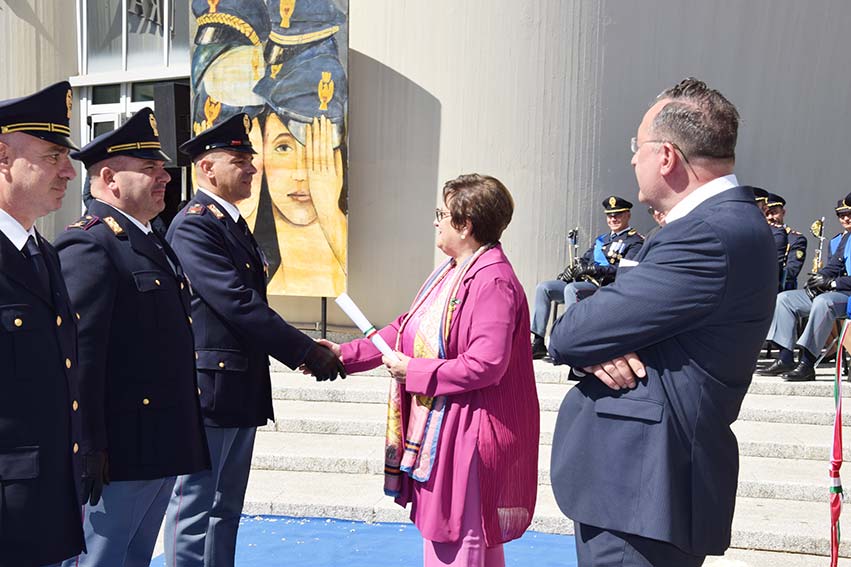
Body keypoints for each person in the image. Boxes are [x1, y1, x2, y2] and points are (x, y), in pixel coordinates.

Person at [548, 78, 776, 566]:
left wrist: (595, 337)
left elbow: (570, 333)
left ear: (667, 157)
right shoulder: (721, 226)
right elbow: (602, 326)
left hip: (643, 493)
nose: (633, 160)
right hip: (643, 489)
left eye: (638, 147)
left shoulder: (707, 236)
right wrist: (603, 339)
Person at [319, 174, 539, 567]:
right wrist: (344, 354)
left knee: (460, 541)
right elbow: (407, 328)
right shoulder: (455, 270)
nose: (435, 222)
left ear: (465, 223)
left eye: (441, 213)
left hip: (469, 433)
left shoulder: (491, 280)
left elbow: (486, 364)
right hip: (452, 425)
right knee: (470, 545)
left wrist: (416, 372)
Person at [164, 113, 345, 567]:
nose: (252, 167)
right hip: (212, 389)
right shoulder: (194, 225)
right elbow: (237, 302)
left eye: (251, 158)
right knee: (194, 512)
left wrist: (306, 348)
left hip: (239, 387)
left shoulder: (231, 222)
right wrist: (305, 351)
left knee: (226, 511)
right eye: (239, 159)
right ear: (207, 169)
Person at [55, 108, 210, 567]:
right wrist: (88, 445)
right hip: (119, 452)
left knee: (133, 558)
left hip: (159, 442)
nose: (165, 176)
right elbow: (80, 356)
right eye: (149, 168)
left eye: (161, 167)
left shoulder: (150, 240)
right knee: (103, 559)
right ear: (109, 178)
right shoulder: (90, 243)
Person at [0, 81, 85, 567]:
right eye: (54, 155)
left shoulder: (43, 254)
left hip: (50, 504)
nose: (69, 171)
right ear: (3, 157)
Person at [531, 196, 643, 359]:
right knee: (544, 287)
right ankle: (539, 341)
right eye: (610, 215)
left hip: (606, 287)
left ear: (628, 215)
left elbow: (625, 271)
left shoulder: (634, 241)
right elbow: (584, 260)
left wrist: (594, 269)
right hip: (585, 284)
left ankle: (571, 339)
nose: (613, 219)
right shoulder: (602, 240)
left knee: (572, 290)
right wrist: (570, 271)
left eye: (618, 214)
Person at [759, 193, 851, 381]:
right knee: (785, 299)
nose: (846, 218)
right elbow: (835, 265)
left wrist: (833, 283)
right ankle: (785, 357)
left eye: (849, 213)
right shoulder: (845, 238)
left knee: (824, 302)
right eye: (842, 215)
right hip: (839, 291)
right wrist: (818, 279)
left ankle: (807, 363)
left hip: (846, 294)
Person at [764, 192, 807, 291]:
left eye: (774, 212)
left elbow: (791, 271)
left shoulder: (795, 239)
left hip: (782, 290)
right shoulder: (758, 236)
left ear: (783, 212)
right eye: (767, 213)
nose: (770, 217)